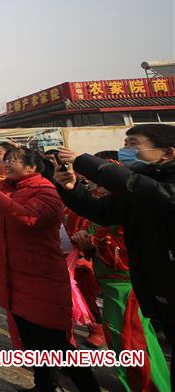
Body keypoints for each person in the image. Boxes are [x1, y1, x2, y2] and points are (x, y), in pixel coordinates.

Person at [0, 148, 100, 392]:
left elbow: (28, 218)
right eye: (5, 160)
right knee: (32, 343)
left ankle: (89, 388)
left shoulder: (46, 190)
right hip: (15, 276)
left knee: (57, 346)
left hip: (41, 279)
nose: (6, 164)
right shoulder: (7, 188)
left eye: (13, 160)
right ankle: (44, 385)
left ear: (32, 168)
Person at [54, 123, 175, 387]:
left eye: (134, 144)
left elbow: (151, 193)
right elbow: (102, 212)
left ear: (167, 153)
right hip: (156, 285)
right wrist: (72, 189)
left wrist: (84, 161)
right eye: (125, 142)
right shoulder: (139, 186)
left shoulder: (156, 186)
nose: (126, 150)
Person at [71, 170, 171, 391]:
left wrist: (94, 241)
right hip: (110, 287)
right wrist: (84, 238)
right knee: (122, 339)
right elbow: (89, 231)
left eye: (104, 184)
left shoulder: (134, 209)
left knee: (133, 341)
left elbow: (128, 251)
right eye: (95, 184)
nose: (97, 189)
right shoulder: (103, 207)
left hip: (126, 287)